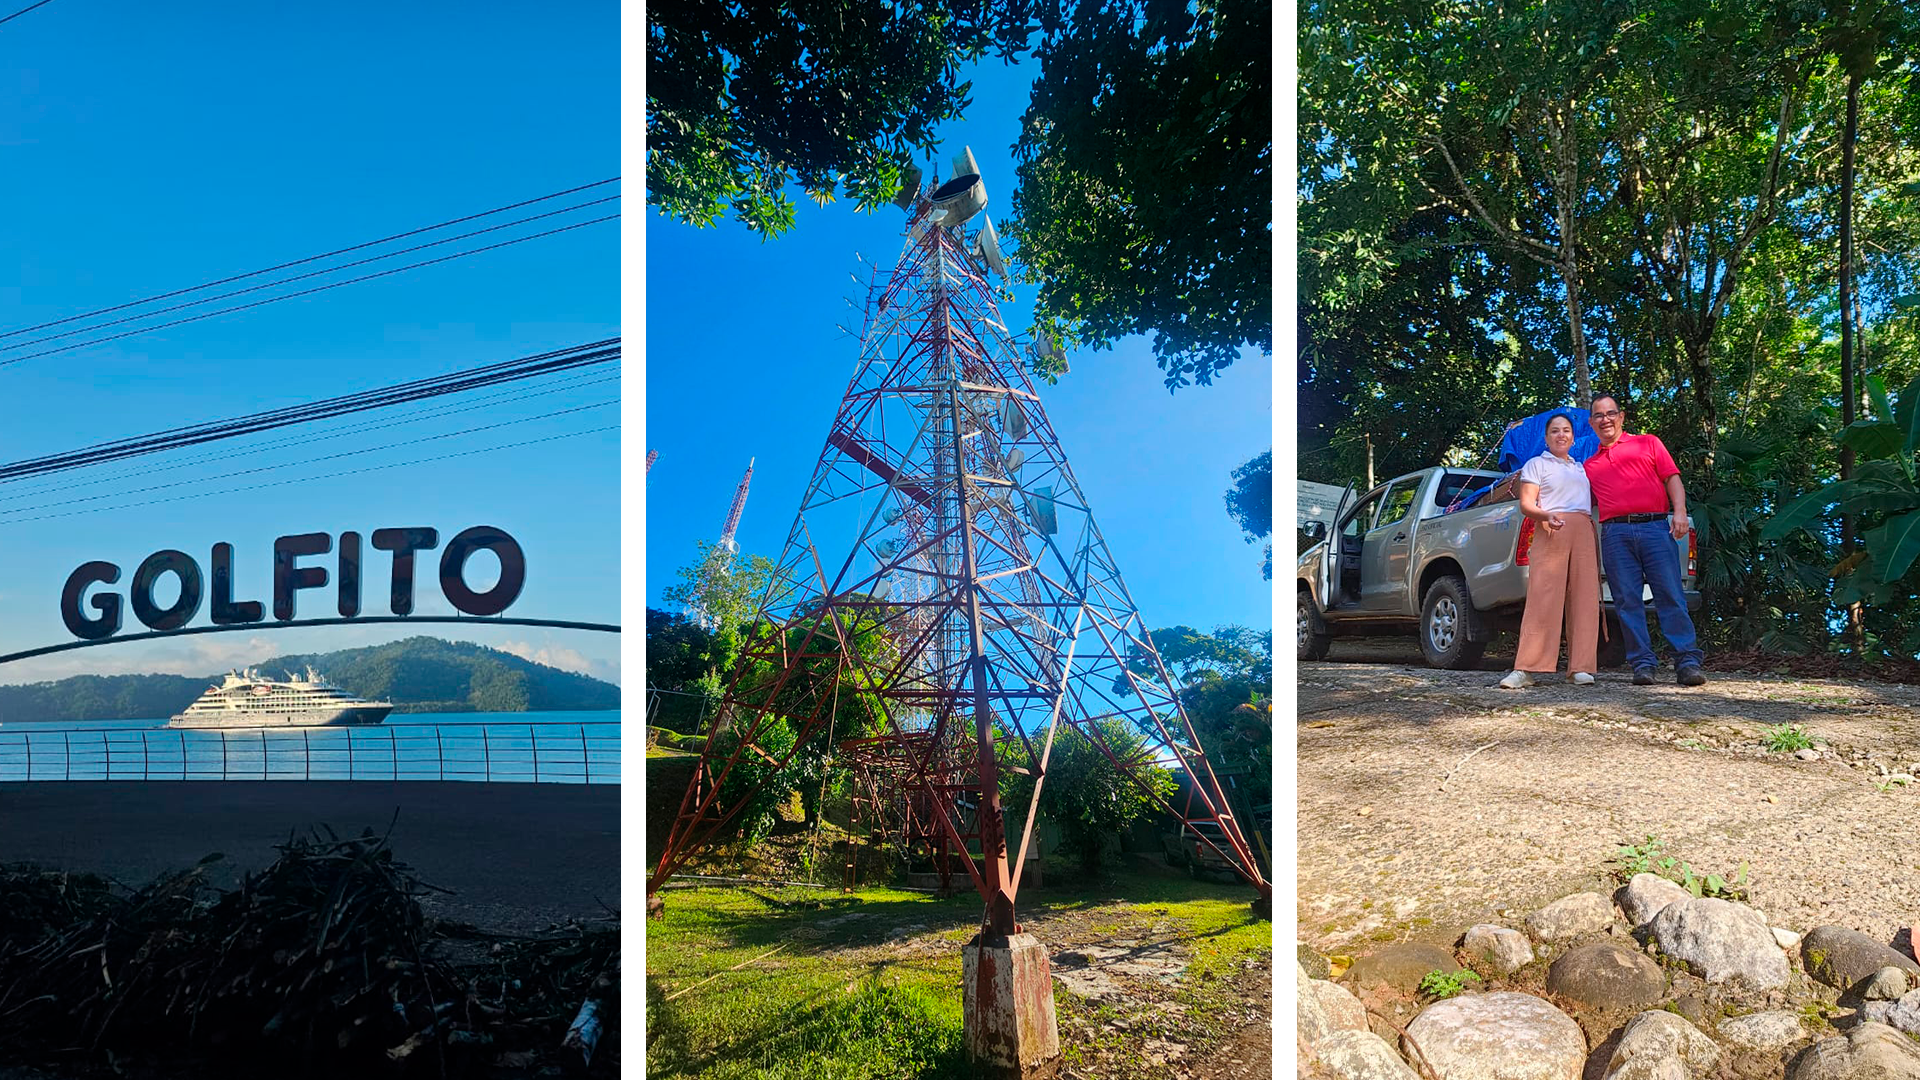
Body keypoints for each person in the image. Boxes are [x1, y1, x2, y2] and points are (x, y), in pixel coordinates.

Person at [1584, 394, 1706, 686]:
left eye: (1610, 413)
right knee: (1627, 601)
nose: (1605, 420)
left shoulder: (1648, 442)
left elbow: (1672, 477)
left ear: (1621, 417)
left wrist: (1679, 511)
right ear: (1591, 423)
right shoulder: (1589, 465)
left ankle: (1687, 662)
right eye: (1599, 416)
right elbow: (1577, 502)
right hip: (1614, 533)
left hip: (1654, 527)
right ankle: (1642, 664)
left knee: (1670, 595)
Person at [1500, 414, 1600, 688]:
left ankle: (1580, 667)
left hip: (1583, 530)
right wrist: (1545, 517)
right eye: (1555, 431)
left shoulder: (1581, 468)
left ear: (1572, 437)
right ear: (1546, 438)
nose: (1561, 435)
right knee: (1543, 597)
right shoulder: (1536, 464)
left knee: (1585, 598)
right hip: (1551, 527)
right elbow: (1526, 504)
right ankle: (1525, 668)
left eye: (1566, 431)